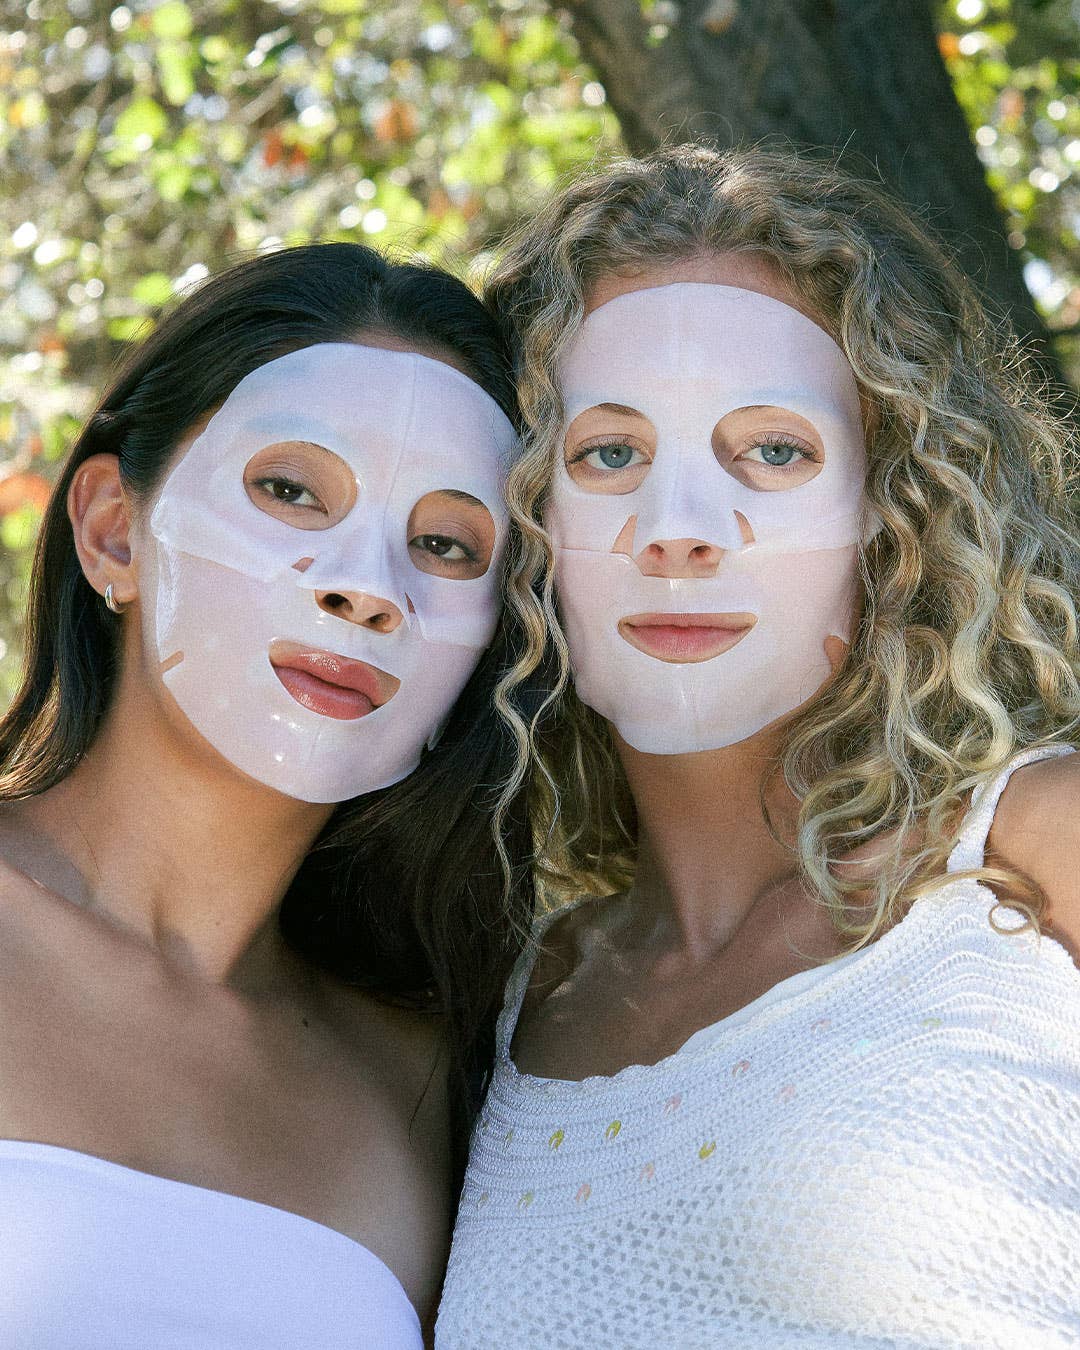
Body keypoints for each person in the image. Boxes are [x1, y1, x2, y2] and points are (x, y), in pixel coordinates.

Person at [437, 147, 1080, 1347]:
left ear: (891, 512)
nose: (679, 530)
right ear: (524, 514)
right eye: (609, 454)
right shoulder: (501, 1010)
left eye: (773, 449)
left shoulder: (1042, 851)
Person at [0, 241, 535, 1348]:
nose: (366, 588)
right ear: (112, 532)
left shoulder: (430, 1082)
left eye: (444, 544)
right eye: (290, 490)